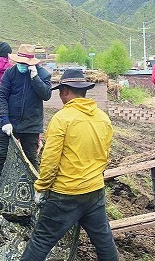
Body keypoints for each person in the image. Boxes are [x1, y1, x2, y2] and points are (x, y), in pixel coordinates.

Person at [21, 69, 118, 261]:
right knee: (104, 241)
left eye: (60, 92)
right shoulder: (102, 118)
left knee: (41, 241)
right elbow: (104, 155)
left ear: (65, 91)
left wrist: (41, 188)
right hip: (95, 191)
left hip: (66, 194)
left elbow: (50, 160)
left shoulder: (62, 119)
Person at [0, 44, 52, 196]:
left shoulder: (42, 74)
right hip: (10, 123)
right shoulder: (10, 73)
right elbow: (2, 95)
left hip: (31, 125)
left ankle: (36, 192)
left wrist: (35, 78)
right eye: (20, 63)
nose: (22, 66)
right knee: (1, 155)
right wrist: (4, 119)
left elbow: (46, 95)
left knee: (31, 158)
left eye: (25, 64)